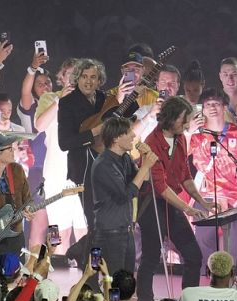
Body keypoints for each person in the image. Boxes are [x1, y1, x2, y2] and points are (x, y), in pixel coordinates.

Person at [137, 96, 209, 301]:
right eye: (183, 119)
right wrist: (188, 208)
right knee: (150, 258)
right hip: (152, 205)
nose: (186, 124)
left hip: (172, 202)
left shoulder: (181, 139)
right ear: (171, 118)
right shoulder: (151, 142)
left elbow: (185, 175)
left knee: (193, 256)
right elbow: (160, 187)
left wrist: (201, 202)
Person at [189, 87, 237, 262]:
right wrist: (188, 132)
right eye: (208, 104)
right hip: (206, 195)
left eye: (216, 104)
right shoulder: (196, 135)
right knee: (203, 238)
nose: (212, 107)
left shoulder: (236, 131)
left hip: (234, 195)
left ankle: (235, 279)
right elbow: (178, 153)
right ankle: (205, 276)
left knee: (236, 239)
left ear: (224, 107)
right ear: (202, 109)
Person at [90, 116, 157, 272]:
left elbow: (142, 183)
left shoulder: (125, 158)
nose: (133, 135)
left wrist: (145, 162)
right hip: (110, 232)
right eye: (128, 132)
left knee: (126, 280)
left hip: (125, 229)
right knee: (114, 281)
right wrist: (145, 166)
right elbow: (125, 195)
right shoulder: (104, 164)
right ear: (116, 138)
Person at [35, 58, 86, 255]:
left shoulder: (92, 100)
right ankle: (56, 270)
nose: (74, 78)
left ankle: (89, 276)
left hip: (82, 171)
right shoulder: (49, 98)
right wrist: (60, 100)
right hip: (56, 174)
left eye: (78, 74)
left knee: (85, 227)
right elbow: (39, 126)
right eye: (70, 74)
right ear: (61, 78)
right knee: (57, 229)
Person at [58, 58, 107, 228]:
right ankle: (93, 252)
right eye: (84, 76)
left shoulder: (103, 98)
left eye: (93, 77)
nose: (88, 81)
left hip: (107, 165)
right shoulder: (67, 103)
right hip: (83, 169)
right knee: (93, 220)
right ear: (77, 78)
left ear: (99, 80)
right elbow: (64, 143)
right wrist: (92, 133)